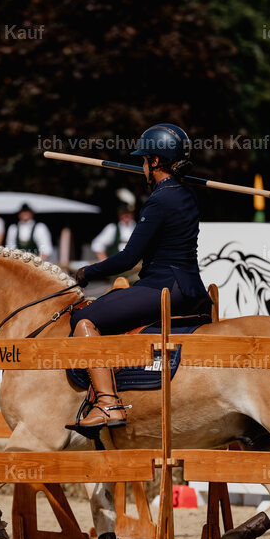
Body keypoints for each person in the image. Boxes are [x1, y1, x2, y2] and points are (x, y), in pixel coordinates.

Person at [68, 123, 212, 431]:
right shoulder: (186, 194)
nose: (142, 167)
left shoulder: (160, 200)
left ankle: (108, 403)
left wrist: (86, 272)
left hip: (163, 287)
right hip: (190, 287)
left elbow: (128, 258)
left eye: (145, 160)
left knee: (85, 320)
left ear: (156, 162)